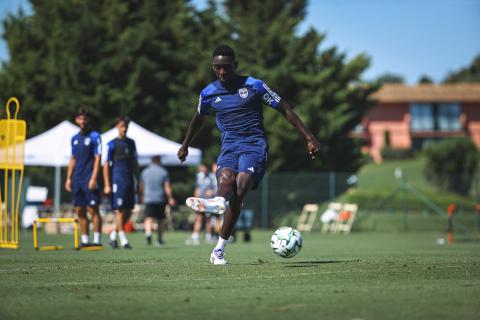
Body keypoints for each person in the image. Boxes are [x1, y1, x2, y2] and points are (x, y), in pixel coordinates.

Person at [177, 45, 320, 265]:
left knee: (241, 185)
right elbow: (198, 118)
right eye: (217, 68)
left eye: (226, 67)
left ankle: (219, 238)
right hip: (229, 147)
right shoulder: (208, 93)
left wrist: (308, 137)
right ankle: (218, 209)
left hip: (254, 146)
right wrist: (185, 144)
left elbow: (285, 108)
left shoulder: (255, 86)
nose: (222, 72)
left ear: (235, 65)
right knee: (225, 179)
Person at [65, 108, 103, 247]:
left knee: (93, 209)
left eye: (84, 119)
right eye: (80, 119)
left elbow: (98, 158)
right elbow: (73, 159)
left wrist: (93, 178)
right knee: (79, 210)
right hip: (77, 179)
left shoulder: (95, 136)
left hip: (89, 178)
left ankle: (97, 240)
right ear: (76, 120)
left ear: (88, 120)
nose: (82, 121)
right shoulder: (74, 139)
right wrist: (69, 178)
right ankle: (85, 240)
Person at [103, 116, 140, 249]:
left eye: (126, 126)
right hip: (117, 180)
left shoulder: (131, 143)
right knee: (119, 210)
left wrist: (138, 180)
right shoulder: (111, 144)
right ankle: (123, 239)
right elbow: (106, 165)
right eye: (121, 126)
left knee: (129, 210)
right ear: (117, 127)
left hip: (129, 179)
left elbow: (135, 163)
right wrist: (107, 184)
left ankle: (113, 236)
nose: (124, 129)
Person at [139, 155, 175, 247]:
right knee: (160, 220)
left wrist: (142, 195)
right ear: (158, 160)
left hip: (148, 198)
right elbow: (167, 187)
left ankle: (148, 233)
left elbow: (141, 186)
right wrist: (170, 198)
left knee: (148, 218)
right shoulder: (163, 172)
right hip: (160, 198)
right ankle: (159, 240)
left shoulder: (145, 172)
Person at [185, 164, 218, 245]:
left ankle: (208, 237)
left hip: (207, 202)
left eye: (203, 168)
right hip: (199, 202)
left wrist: (211, 192)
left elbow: (215, 188)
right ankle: (195, 237)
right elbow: (197, 189)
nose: (202, 170)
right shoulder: (199, 177)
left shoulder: (211, 177)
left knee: (208, 219)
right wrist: (195, 199)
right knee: (198, 218)